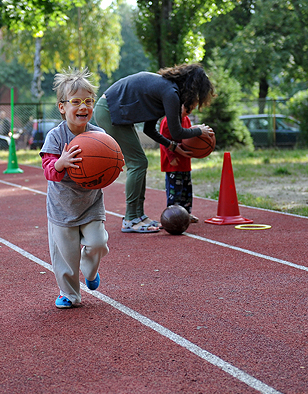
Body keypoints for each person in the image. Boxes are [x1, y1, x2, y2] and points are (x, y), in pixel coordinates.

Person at [92, 63, 215, 233]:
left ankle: (139, 215)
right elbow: (176, 131)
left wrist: (173, 146)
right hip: (108, 111)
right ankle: (130, 218)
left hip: (112, 111)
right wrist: (199, 130)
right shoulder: (170, 92)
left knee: (140, 162)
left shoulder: (164, 89)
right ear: (192, 88)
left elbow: (149, 129)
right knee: (137, 163)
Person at [40, 67, 109, 308]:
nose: (83, 107)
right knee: (66, 257)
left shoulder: (99, 136)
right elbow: (49, 171)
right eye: (76, 102)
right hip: (62, 207)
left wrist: (114, 166)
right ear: (62, 107)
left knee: (98, 243)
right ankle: (69, 294)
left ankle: (90, 272)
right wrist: (60, 163)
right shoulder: (55, 137)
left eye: (88, 101)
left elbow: (109, 164)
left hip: (90, 204)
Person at [160, 105, 200, 223]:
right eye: (187, 108)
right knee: (175, 192)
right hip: (173, 164)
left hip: (185, 162)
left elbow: (189, 138)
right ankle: (173, 215)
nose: (189, 111)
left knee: (187, 191)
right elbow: (163, 140)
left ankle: (186, 214)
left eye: (192, 108)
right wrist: (171, 157)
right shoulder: (168, 120)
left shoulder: (186, 119)